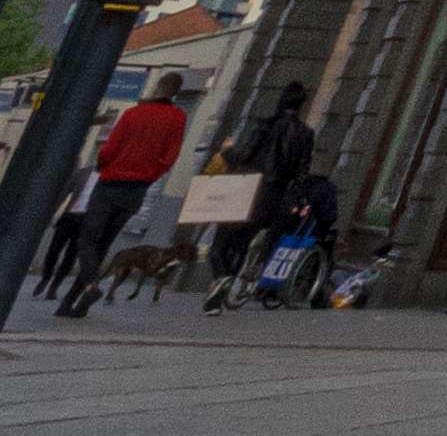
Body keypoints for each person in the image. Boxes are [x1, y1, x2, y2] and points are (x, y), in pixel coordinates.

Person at [52, 74, 189, 318]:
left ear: (157, 87)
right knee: (104, 243)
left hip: (111, 182)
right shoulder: (178, 118)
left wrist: (105, 165)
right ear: (176, 92)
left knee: (88, 240)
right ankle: (74, 303)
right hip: (137, 190)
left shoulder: (134, 114)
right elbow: (170, 157)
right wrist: (149, 175)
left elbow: (110, 148)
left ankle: (90, 286)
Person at [201, 83, 316, 312]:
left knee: (219, 246)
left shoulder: (263, 125)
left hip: (247, 189)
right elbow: (303, 172)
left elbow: (242, 156)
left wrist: (227, 150)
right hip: (274, 197)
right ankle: (220, 296)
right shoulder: (306, 133)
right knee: (242, 243)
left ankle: (222, 278)